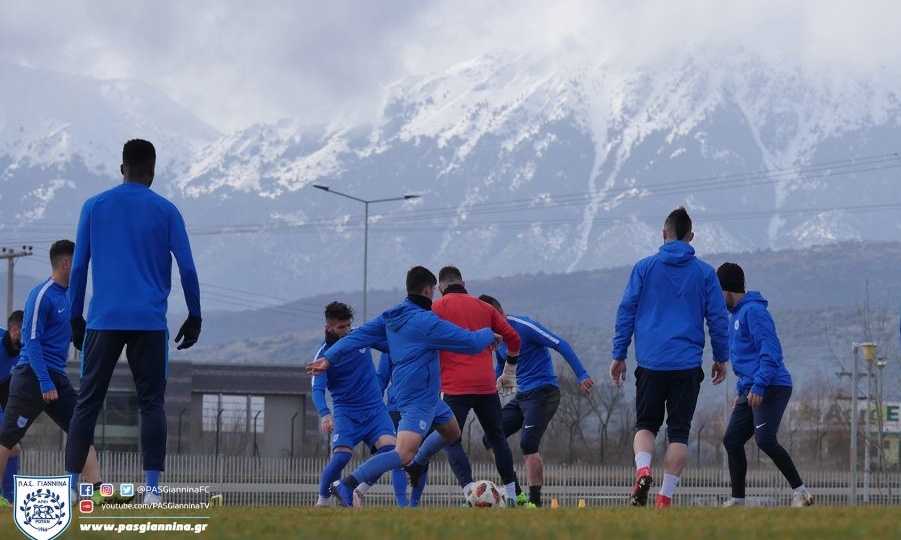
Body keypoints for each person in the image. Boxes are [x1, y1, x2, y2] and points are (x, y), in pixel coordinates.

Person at [66, 139, 202, 504]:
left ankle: (68, 488)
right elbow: (187, 266)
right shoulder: (166, 210)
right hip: (149, 322)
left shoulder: (94, 207)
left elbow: (78, 267)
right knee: (152, 404)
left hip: (103, 320)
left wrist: (74, 317)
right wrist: (195, 313)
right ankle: (153, 492)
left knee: (87, 403)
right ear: (152, 171)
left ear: (121, 167)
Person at [305, 266, 500, 508]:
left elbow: (360, 335)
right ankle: (347, 484)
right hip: (416, 397)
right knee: (402, 454)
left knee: (452, 433)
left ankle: (418, 464)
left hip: (429, 396)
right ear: (429, 290)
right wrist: (489, 333)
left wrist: (330, 357)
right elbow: (469, 343)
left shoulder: (392, 314)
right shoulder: (426, 321)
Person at [610, 206, 730, 508]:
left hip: (651, 362)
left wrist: (619, 354)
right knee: (678, 432)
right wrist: (720, 357)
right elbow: (717, 317)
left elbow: (626, 311)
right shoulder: (704, 273)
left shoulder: (644, 268)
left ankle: (643, 470)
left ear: (664, 234)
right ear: (690, 236)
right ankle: (664, 497)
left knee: (646, 425)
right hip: (687, 365)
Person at [403, 266, 523, 506]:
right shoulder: (485, 307)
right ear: (464, 282)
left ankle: (470, 493)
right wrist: (509, 371)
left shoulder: (435, 308)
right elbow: (514, 338)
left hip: (454, 387)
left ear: (439, 288)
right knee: (497, 437)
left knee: (451, 439)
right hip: (485, 384)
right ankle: (512, 496)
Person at [0, 241, 106, 506]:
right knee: (8, 438)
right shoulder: (41, 295)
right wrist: (45, 381)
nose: (83, 268)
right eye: (79, 263)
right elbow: (32, 341)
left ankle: (95, 490)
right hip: (31, 376)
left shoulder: (70, 296)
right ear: (66, 263)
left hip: (57, 376)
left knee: (81, 428)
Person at [478, 294, 594, 507]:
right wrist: (488, 387)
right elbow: (501, 365)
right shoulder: (498, 340)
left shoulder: (524, 326)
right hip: (523, 396)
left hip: (544, 392)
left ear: (499, 313)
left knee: (527, 443)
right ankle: (518, 493)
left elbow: (560, 343)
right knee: (490, 438)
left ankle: (535, 503)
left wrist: (582, 374)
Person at [716, 262, 813, 508]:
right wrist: (742, 391)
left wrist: (759, 386)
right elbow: (744, 359)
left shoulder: (754, 312)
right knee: (732, 439)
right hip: (751, 388)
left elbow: (771, 352)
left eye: (718, 292)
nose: (718, 298)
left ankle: (801, 493)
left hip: (772, 385)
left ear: (728, 290)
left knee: (765, 439)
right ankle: (738, 500)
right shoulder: (735, 316)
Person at [311, 301, 396, 508]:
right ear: (328, 328)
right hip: (346, 413)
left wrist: (406, 345)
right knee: (341, 458)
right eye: (342, 327)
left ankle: (356, 488)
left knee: (392, 451)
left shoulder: (360, 336)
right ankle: (322, 503)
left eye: (349, 325)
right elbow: (317, 388)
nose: (348, 330)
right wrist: (324, 413)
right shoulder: (323, 355)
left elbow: (389, 346)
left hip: (375, 410)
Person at [0, 310, 23, 501]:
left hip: (4, 386)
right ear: (15, 331)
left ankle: (8, 498)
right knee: (11, 446)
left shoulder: (25, 349)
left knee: (13, 447)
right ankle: (7, 497)